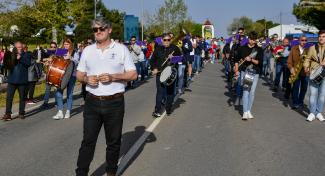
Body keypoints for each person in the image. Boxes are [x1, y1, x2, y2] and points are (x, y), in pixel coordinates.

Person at [75, 17, 137, 176]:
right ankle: (81, 173)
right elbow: (79, 74)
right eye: (95, 29)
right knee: (87, 141)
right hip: (92, 102)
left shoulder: (121, 49)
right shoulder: (88, 50)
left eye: (101, 28)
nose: (98, 32)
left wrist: (113, 77)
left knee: (114, 142)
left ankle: (111, 172)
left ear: (109, 30)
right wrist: (86, 79)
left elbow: (133, 74)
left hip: (114, 102)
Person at [150, 33, 182, 117]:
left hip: (171, 73)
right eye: (165, 40)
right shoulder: (158, 49)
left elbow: (181, 59)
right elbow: (152, 60)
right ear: (162, 40)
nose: (167, 41)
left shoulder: (175, 48)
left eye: (168, 40)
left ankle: (168, 108)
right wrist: (154, 68)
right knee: (160, 92)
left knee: (170, 92)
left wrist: (173, 58)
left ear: (170, 40)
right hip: (160, 73)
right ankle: (157, 110)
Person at [234, 31, 263, 120]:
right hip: (245, 71)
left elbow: (259, 62)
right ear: (248, 39)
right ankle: (245, 111)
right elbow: (236, 60)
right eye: (251, 39)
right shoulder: (242, 48)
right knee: (246, 91)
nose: (252, 41)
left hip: (255, 72)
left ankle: (249, 110)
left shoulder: (258, 49)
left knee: (252, 92)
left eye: (254, 40)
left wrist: (251, 59)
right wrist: (236, 70)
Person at [1, 41, 31, 121]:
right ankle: (8, 114)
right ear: (15, 47)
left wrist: (20, 58)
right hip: (12, 80)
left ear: (23, 47)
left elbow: (28, 63)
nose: (19, 49)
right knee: (9, 98)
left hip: (22, 81)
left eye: (20, 47)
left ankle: (21, 113)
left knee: (22, 98)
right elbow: (6, 65)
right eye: (17, 47)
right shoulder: (11, 55)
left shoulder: (26, 54)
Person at [52, 38, 79, 120]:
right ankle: (60, 111)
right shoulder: (61, 51)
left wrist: (71, 57)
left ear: (70, 45)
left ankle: (68, 111)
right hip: (61, 75)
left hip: (72, 75)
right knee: (58, 93)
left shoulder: (75, 52)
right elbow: (54, 56)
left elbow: (78, 62)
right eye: (65, 44)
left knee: (69, 94)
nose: (66, 46)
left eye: (67, 44)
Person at [304, 30, 325, 122]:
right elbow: (307, 59)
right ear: (318, 37)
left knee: (322, 95)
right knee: (313, 94)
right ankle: (312, 113)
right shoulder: (312, 48)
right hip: (313, 73)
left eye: (324, 36)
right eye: (320, 36)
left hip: (324, 74)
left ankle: (319, 112)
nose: (321, 38)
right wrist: (306, 66)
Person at [287, 35, 308, 109]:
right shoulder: (294, 48)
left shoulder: (308, 49)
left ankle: (300, 101)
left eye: (305, 40)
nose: (304, 42)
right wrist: (291, 68)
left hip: (305, 72)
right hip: (296, 72)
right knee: (296, 87)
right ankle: (295, 102)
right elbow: (289, 61)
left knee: (304, 88)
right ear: (299, 41)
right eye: (302, 40)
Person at [40, 42, 57, 109]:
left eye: (54, 47)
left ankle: (57, 102)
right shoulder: (47, 52)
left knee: (56, 89)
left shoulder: (59, 52)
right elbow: (41, 59)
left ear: (56, 47)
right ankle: (45, 102)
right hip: (49, 72)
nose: (52, 48)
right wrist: (47, 60)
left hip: (56, 73)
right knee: (47, 89)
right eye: (51, 47)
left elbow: (64, 55)